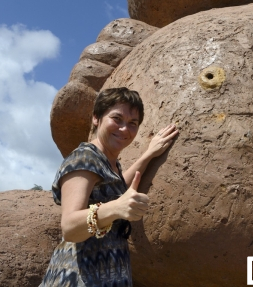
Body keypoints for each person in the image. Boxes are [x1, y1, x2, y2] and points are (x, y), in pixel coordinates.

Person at [40, 87, 178, 287]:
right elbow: (69, 227)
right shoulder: (84, 159)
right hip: (78, 278)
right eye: (117, 119)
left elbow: (118, 186)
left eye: (133, 123)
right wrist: (115, 209)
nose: (124, 129)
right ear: (96, 118)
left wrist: (149, 154)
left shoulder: (108, 162)